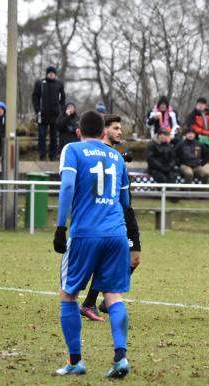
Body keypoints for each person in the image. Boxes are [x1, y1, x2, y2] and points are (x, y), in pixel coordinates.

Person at [52, 110, 132, 377]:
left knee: (68, 294)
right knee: (113, 295)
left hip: (85, 233)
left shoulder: (73, 150)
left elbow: (67, 187)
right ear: (103, 132)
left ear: (78, 132)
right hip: (116, 233)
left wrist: (60, 227)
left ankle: (75, 361)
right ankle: (120, 358)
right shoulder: (118, 158)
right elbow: (125, 202)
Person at [79, 114, 142, 321]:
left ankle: (101, 301)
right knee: (109, 261)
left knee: (134, 259)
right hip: (114, 216)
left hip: (126, 213)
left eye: (120, 128)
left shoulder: (115, 155)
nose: (120, 132)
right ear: (104, 130)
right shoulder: (99, 154)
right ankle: (93, 302)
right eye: (115, 128)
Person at [32, 66, 66, 160]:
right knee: (42, 135)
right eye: (50, 73)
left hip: (55, 115)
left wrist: (61, 110)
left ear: (55, 74)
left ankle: (52, 155)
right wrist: (37, 109)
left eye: (53, 73)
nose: (51, 74)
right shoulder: (40, 83)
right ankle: (42, 154)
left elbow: (63, 98)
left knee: (54, 136)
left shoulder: (59, 84)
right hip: (42, 115)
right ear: (47, 74)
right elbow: (35, 97)